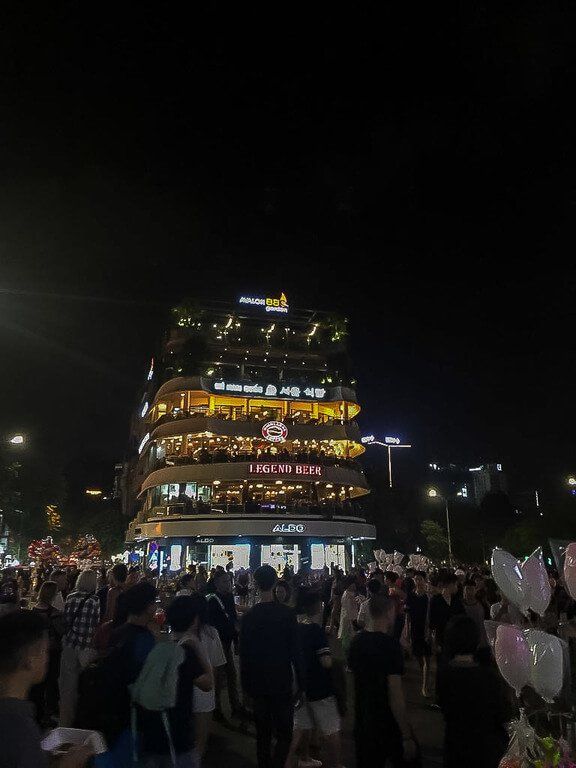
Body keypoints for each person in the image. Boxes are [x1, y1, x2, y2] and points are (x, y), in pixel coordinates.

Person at [0, 610, 93, 768]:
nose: (47, 658)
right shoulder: (19, 726)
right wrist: (67, 764)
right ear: (29, 659)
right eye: (44, 651)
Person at [240, 564, 303, 768]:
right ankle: (278, 763)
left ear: (256, 585)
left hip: (257, 683)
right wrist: (301, 683)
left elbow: (245, 654)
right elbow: (296, 652)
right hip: (281, 680)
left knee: (263, 734)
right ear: (275, 583)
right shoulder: (286, 615)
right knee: (284, 732)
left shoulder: (249, 617)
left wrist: (246, 686)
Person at [139, 595, 213, 767]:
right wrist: (197, 646)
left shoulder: (158, 645)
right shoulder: (186, 652)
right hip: (177, 732)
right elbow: (208, 683)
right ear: (194, 620)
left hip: (152, 731)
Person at [348, 595, 417, 767]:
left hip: (363, 719)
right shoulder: (390, 646)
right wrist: (406, 734)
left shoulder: (356, 643)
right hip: (387, 721)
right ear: (389, 612)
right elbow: (395, 693)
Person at [438, 615, 512, 768]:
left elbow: (444, 707)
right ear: (476, 640)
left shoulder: (444, 674)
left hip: (455, 745)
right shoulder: (487, 676)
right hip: (484, 748)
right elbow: (503, 712)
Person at [287, 591, 342, 768]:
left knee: (299, 727)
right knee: (331, 730)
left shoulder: (294, 626)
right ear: (314, 606)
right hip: (319, 686)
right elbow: (325, 661)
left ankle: (300, 759)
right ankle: (336, 764)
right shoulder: (315, 630)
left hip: (300, 685)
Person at [186, 594, 226, 765]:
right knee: (200, 744)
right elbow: (217, 665)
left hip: (184, 693)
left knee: (185, 740)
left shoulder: (179, 633)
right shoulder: (211, 634)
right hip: (205, 693)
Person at [59, 569, 100, 726]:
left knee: (67, 687)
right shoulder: (94, 600)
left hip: (70, 644)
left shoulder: (70, 597)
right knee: (85, 686)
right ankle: (82, 720)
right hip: (86, 647)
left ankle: (65, 722)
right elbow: (95, 624)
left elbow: (65, 620)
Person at [207, 570, 242, 721]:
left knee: (231, 675)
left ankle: (234, 706)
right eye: (224, 581)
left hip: (226, 641)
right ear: (216, 584)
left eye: (229, 581)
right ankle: (218, 708)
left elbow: (233, 619)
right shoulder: (212, 600)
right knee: (221, 676)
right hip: (218, 642)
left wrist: (236, 640)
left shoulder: (228, 597)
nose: (228, 584)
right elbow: (215, 623)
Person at [30, 581, 66, 725]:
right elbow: (62, 631)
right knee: (51, 682)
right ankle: (48, 712)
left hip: (37, 650)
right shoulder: (55, 614)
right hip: (52, 651)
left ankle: (38, 713)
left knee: (38, 686)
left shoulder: (34, 610)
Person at [429, 573, 465, 700]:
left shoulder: (457, 601)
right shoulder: (435, 600)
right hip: (442, 639)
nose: (457, 587)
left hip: (455, 640)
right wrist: (435, 642)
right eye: (455, 584)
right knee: (442, 667)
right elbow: (431, 623)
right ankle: (441, 695)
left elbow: (463, 619)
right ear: (449, 584)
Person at [405, 571, 431, 697]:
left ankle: (424, 686)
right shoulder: (411, 595)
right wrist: (407, 629)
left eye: (420, 579)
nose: (418, 581)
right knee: (418, 655)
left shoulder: (428, 597)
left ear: (424, 580)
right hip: (415, 628)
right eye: (416, 579)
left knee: (427, 657)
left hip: (427, 628)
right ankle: (424, 675)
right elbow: (408, 615)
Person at [337, 577, 363, 656]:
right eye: (353, 583)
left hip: (349, 621)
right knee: (349, 642)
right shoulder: (347, 596)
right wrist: (354, 622)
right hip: (349, 622)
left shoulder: (349, 594)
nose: (355, 585)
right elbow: (349, 612)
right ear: (349, 585)